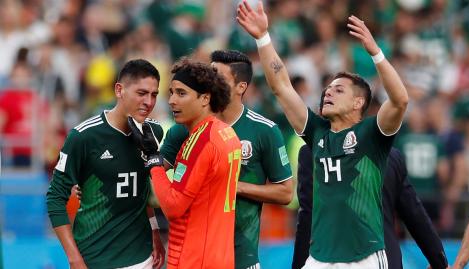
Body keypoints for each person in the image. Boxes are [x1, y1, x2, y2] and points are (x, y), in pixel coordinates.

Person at [237, 0, 409, 267]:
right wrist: (263, 38)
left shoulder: (372, 134)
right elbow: (282, 87)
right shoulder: (317, 133)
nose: (328, 92)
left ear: (358, 103)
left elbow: (400, 101)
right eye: (328, 88)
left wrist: (376, 53)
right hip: (318, 258)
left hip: (364, 257)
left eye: (339, 90)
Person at [159, 49, 293, 269]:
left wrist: (231, 186)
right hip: (195, 255)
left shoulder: (264, 131)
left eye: (218, 77)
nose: (210, 82)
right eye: (209, 74)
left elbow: (286, 192)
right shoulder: (184, 129)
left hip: (243, 254)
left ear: (241, 87)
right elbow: (155, 178)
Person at [46, 59, 165, 268]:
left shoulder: (153, 133)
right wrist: (74, 258)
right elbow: (55, 198)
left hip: (142, 256)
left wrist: (155, 230)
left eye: (154, 94)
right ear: (119, 90)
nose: (149, 101)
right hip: (95, 257)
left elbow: (143, 187)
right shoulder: (84, 136)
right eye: (141, 93)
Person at [129, 58, 241, 269]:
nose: (172, 101)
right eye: (171, 92)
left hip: (194, 259)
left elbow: (173, 206)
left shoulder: (201, 141)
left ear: (205, 98)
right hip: (221, 257)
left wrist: (154, 159)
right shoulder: (227, 133)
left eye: (181, 93)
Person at [292, 145, 449, 269]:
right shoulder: (388, 154)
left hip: (342, 258)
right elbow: (415, 214)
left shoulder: (312, 152)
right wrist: (439, 261)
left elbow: (308, 217)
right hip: (382, 259)